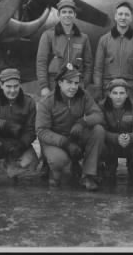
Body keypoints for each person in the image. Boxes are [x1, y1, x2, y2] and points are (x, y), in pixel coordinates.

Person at [36, 63, 105, 191]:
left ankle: (88, 175)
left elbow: (98, 115)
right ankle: (52, 169)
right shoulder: (47, 101)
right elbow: (42, 131)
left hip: (75, 136)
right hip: (55, 141)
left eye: (76, 83)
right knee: (58, 160)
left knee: (98, 130)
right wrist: (65, 143)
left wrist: (83, 122)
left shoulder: (83, 95)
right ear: (60, 82)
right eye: (69, 82)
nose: (73, 87)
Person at [0, 68, 38, 189]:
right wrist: (5, 124)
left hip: (15, 144)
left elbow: (31, 130)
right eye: (8, 86)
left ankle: (11, 166)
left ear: (20, 85)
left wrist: (22, 144)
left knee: (32, 165)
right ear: (1, 85)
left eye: (16, 86)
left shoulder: (29, 102)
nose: (12, 90)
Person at [93, 1, 133, 109]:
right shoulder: (104, 40)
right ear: (115, 16)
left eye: (127, 15)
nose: (123, 17)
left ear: (131, 18)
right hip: (108, 90)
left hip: (131, 91)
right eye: (120, 14)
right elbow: (98, 69)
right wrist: (98, 91)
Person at [36, 0, 93, 96]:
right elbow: (41, 62)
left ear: (75, 15)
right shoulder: (48, 35)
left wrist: (84, 84)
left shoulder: (83, 38)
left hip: (76, 85)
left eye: (70, 12)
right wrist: (44, 86)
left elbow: (89, 64)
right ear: (59, 14)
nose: (67, 15)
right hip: (54, 83)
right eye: (64, 12)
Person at [99, 78, 133, 185]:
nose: (118, 96)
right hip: (111, 145)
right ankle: (108, 166)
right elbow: (101, 130)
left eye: (122, 93)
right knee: (98, 143)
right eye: (115, 93)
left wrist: (130, 137)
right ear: (109, 94)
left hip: (129, 145)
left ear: (127, 94)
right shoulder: (101, 107)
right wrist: (116, 138)